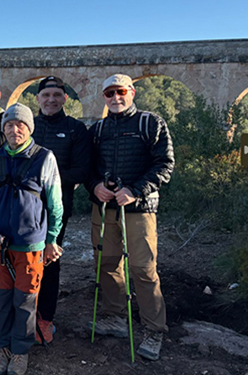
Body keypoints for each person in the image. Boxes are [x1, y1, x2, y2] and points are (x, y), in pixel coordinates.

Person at [86, 74, 174, 361]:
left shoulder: (151, 123)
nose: (115, 98)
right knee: (107, 262)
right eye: (109, 93)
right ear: (104, 97)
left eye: (120, 91)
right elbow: (88, 167)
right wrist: (95, 185)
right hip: (105, 208)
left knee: (143, 269)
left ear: (132, 92)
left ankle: (154, 328)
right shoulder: (97, 129)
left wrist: (135, 190)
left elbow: (165, 164)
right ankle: (115, 317)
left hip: (140, 208)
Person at [0, 104, 63, 375]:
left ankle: (20, 351)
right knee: (2, 298)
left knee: (26, 301)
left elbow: (55, 204)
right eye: (9, 125)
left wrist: (51, 239)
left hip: (30, 243)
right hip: (0, 244)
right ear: (3, 129)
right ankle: (0, 348)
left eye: (20, 125)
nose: (14, 130)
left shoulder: (44, 157)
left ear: (29, 128)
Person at [31, 76, 91, 343]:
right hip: (25, 208)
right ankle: (24, 315)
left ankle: (45, 318)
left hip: (57, 208)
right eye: (46, 95)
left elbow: (81, 170)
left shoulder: (76, 129)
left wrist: (47, 177)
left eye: (57, 95)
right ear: (38, 99)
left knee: (49, 261)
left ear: (65, 98)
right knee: (22, 261)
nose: (51, 99)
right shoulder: (27, 126)